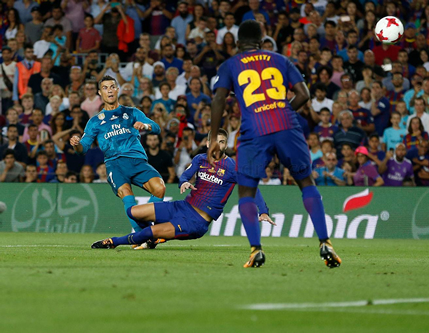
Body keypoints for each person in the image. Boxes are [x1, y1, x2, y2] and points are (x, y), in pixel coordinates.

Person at [208, 20, 341, 268]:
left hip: (253, 130)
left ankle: (256, 249)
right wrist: (279, 112)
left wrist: (214, 137)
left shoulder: (230, 65)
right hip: (287, 125)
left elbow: (218, 100)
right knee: (306, 182)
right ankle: (325, 242)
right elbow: (304, 94)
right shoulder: (280, 59)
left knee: (247, 191)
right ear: (262, 40)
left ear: (238, 43)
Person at [91, 129, 273, 250]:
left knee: (149, 232)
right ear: (208, 144)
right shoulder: (200, 159)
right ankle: (150, 239)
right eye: (215, 142)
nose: (219, 145)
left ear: (226, 145)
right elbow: (185, 175)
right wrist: (184, 182)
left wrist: (263, 211)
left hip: (196, 222)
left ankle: (114, 242)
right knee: (133, 212)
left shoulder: (232, 167)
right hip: (182, 207)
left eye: (223, 142)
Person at [70, 75, 167, 247]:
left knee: (159, 188)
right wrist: (76, 144)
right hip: (115, 164)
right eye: (105, 88)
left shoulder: (132, 112)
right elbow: (83, 148)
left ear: (117, 89)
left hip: (137, 161)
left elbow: (157, 128)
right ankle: (144, 236)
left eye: (112, 86)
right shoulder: (95, 122)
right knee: (127, 198)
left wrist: (145, 126)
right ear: (100, 93)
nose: (109, 90)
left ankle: (144, 234)